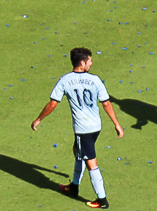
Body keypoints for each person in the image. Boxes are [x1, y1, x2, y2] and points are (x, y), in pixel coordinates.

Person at [30, 47, 125, 209]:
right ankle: (74, 186)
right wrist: (117, 124)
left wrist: (39, 119)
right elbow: (106, 103)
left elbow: (53, 103)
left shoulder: (65, 80)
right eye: (90, 61)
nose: (91, 63)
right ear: (82, 63)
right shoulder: (95, 80)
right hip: (96, 126)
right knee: (77, 151)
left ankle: (102, 200)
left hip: (83, 128)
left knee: (91, 163)